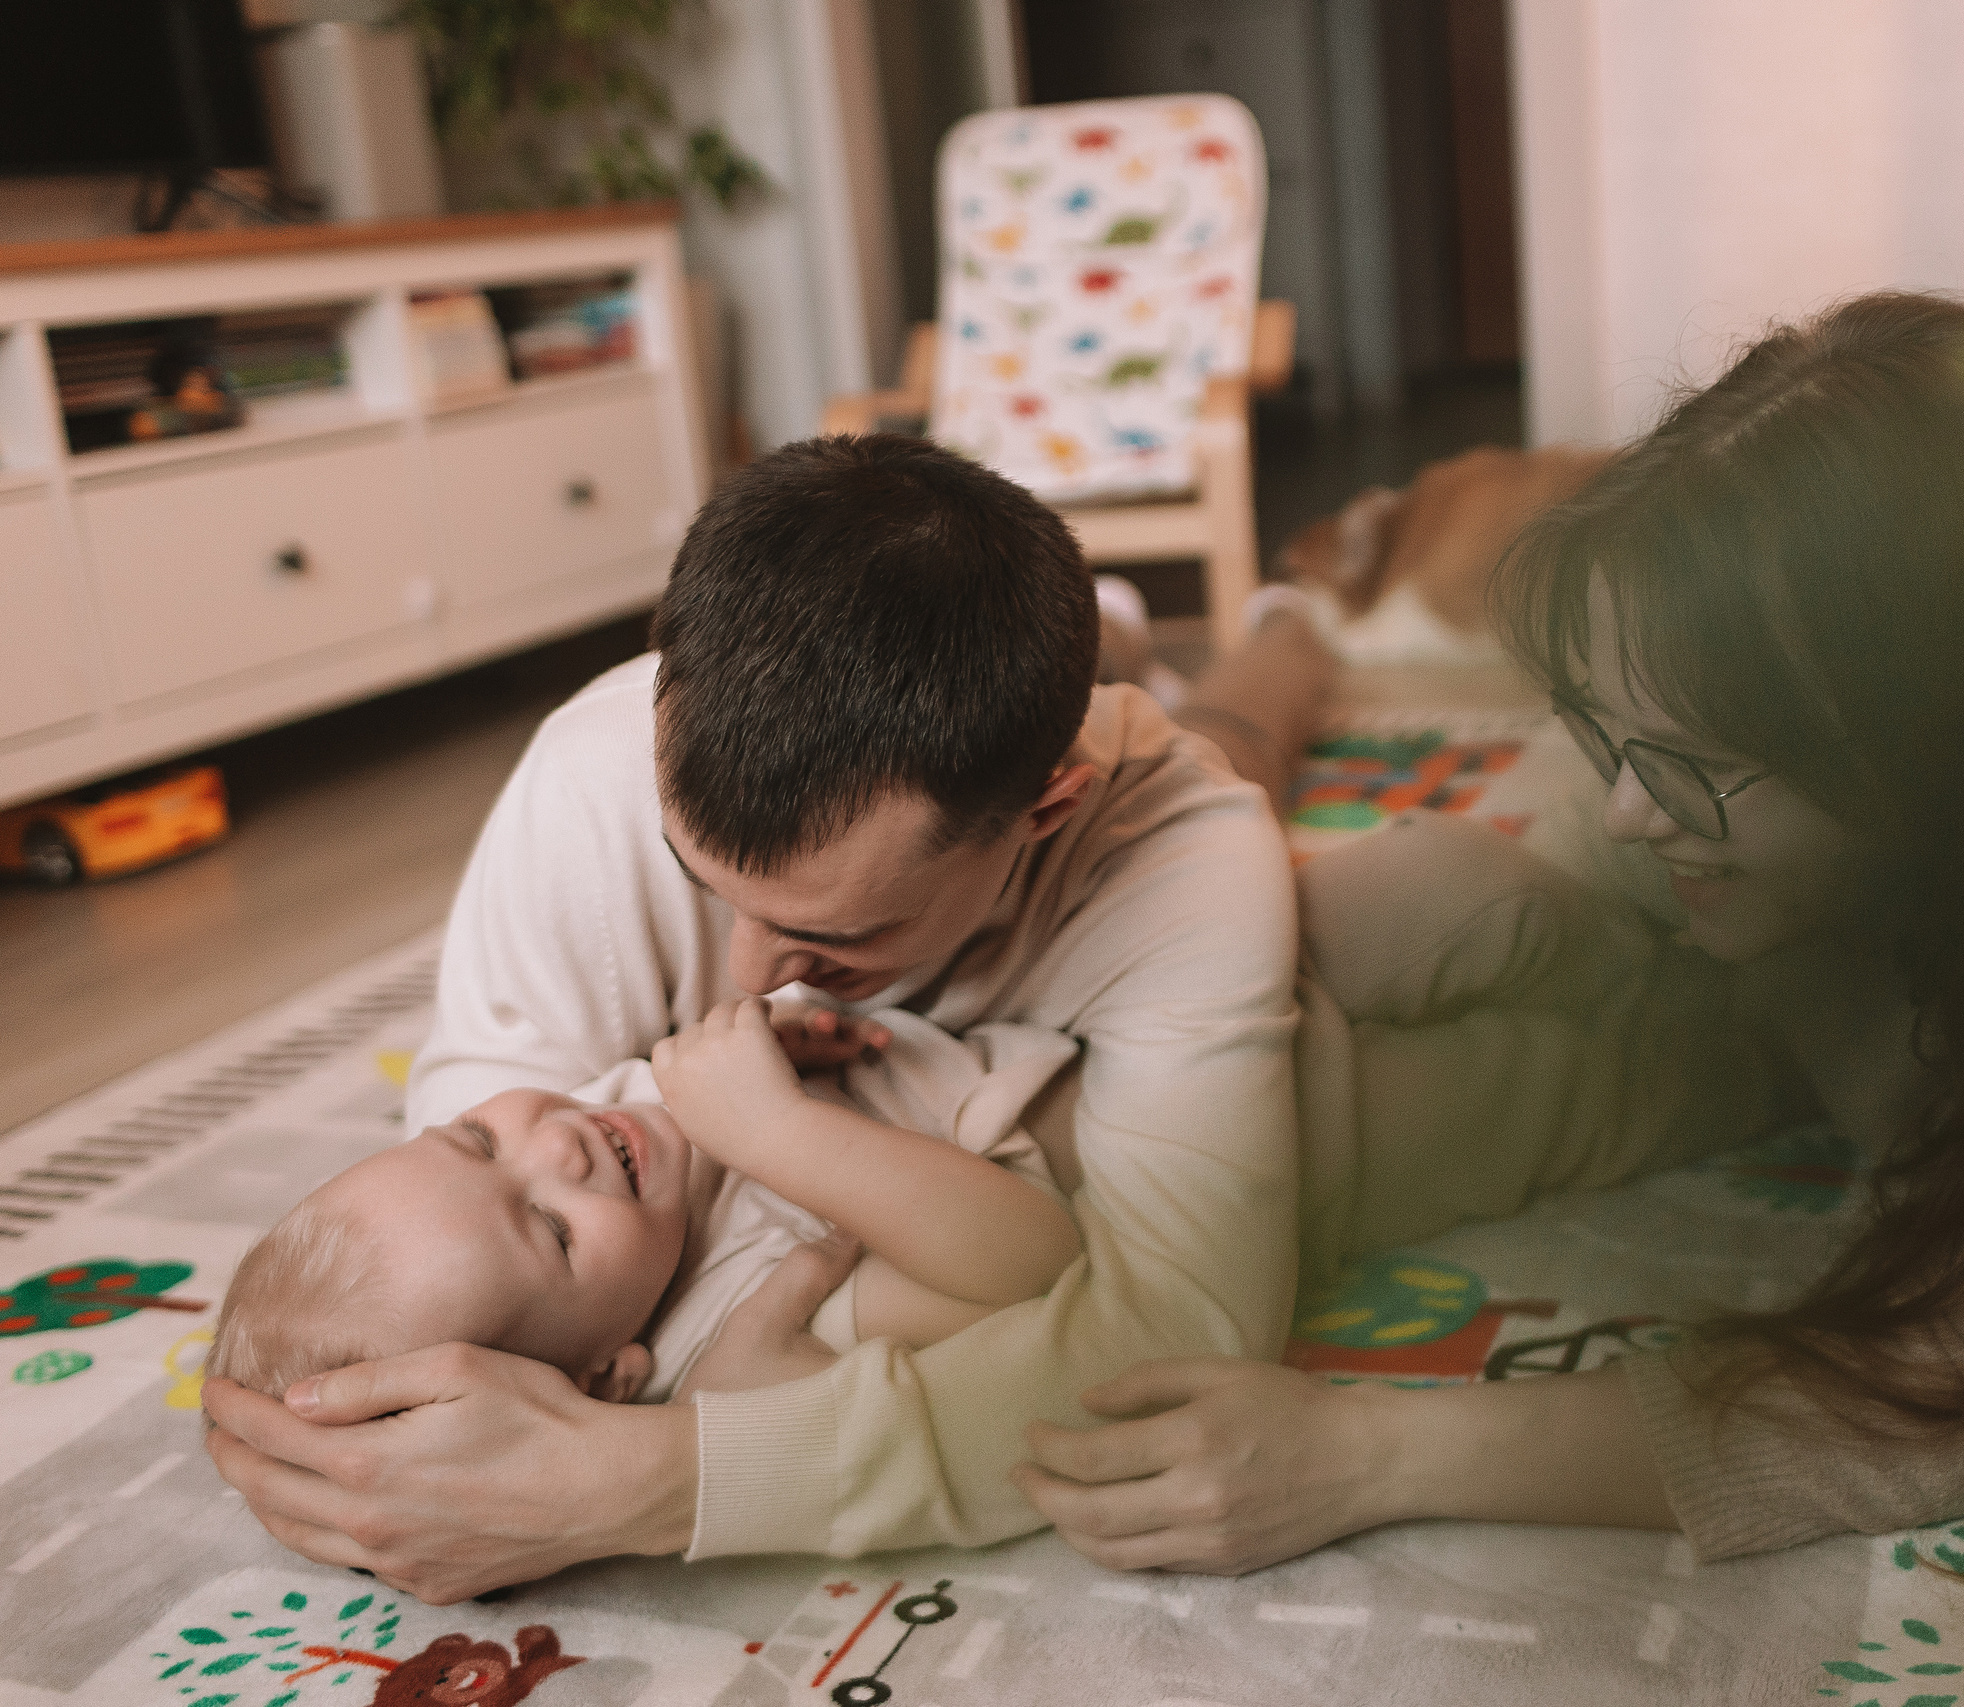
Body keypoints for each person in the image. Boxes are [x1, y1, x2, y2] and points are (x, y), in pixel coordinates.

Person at [1013, 292, 1964, 1575]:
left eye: (1689, 758)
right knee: (1428, 891)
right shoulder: (1759, 805)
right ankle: (1241, 704)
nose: (1635, 809)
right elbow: (1509, 873)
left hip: (1940, 986)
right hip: (1842, 939)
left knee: (1483, 1060)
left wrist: (1358, 1451)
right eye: (1610, 733)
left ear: (1943, 744)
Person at [200, 434, 1303, 1604]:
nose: (751, 973)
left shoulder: (1184, 860)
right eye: (696, 876)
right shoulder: (592, 778)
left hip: (1190, 778)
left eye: (835, 937)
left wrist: (654, 1478)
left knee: (1273, 762)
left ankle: (1284, 633)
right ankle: (1114, 626)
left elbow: (1180, 1337)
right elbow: (444, 1228)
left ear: (1043, 810)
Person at [205, 999, 1085, 1407]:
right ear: (607, 1377)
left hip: (1028, 1007)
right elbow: (1042, 1262)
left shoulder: (612, 1126)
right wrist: (779, 1130)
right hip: (1102, 1127)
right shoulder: (746, 1321)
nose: (557, 1144)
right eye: (550, 1229)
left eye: (475, 1139)